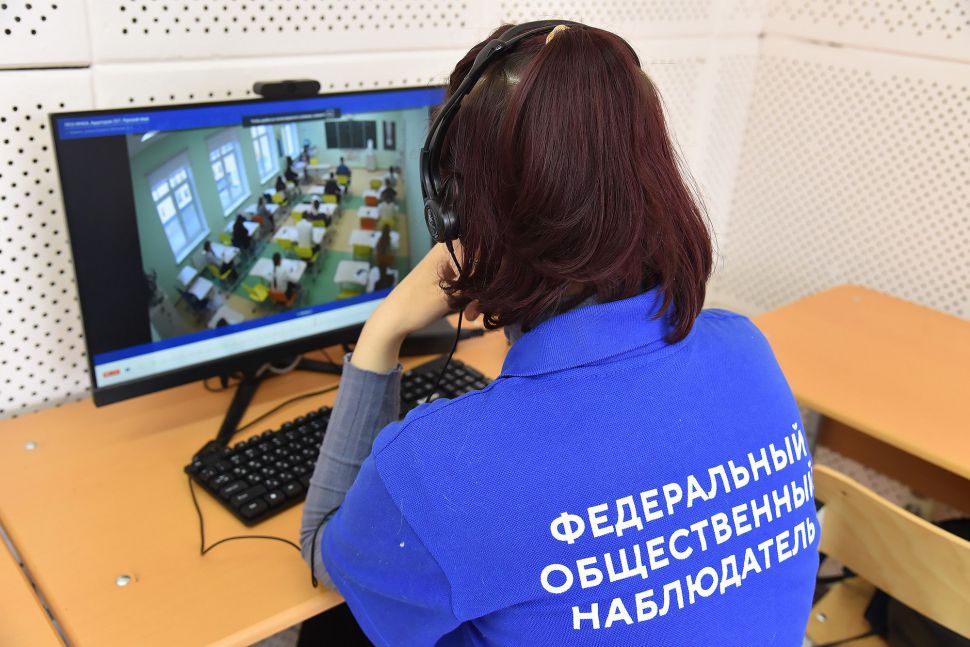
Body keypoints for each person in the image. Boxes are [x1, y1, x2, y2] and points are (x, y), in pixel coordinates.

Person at [300, 23, 817, 646]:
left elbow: (324, 552)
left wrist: (382, 332)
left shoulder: (440, 467)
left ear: (457, 213)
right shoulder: (746, 349)